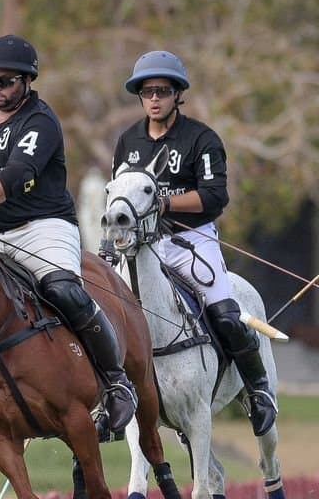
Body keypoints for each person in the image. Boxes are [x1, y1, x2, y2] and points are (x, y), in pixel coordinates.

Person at [0, 35, 137, 444]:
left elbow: (11, 179)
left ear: (27, 81)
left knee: (63, 290)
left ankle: (116, 382)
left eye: (6, 81)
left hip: (41, 225)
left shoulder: (40, 122)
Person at [113, 50, 276, 436]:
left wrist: (163, 203)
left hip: (190, 240)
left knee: (224, 311)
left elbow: (216, 196)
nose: (155, 98)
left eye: (163, 91)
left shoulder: (201, 139)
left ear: (177, 95)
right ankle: (109, 398)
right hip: (141, 246)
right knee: (105, 316)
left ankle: (258, 391)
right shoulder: (128, 142)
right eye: (147, 91)